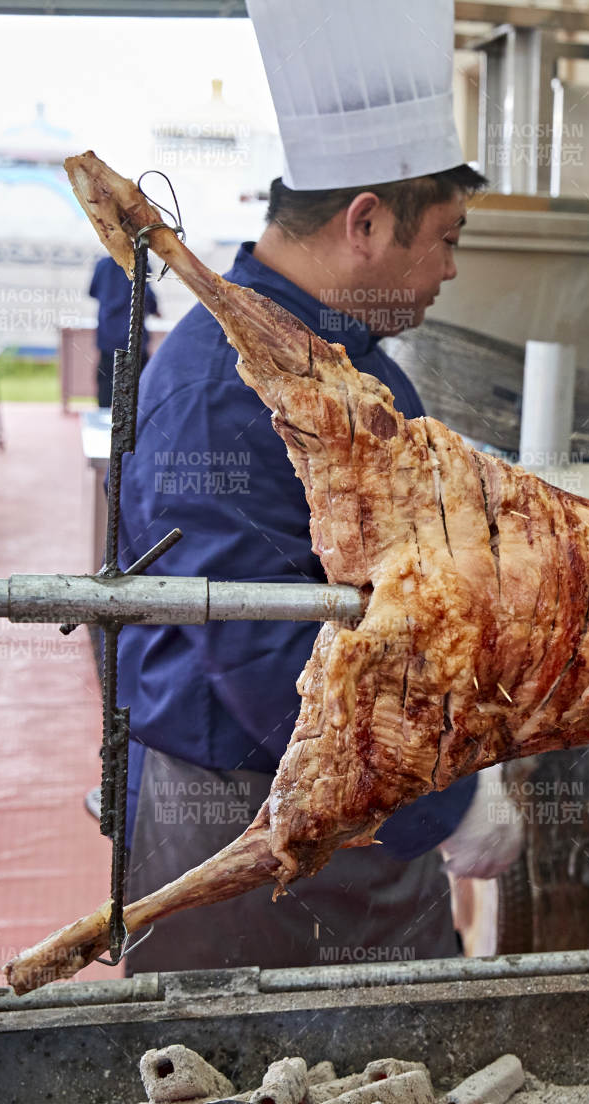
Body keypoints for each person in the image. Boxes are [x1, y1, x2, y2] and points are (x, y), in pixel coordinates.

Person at [118, 0, 519, 974]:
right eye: (448, 237)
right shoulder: (226, 382)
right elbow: (264, 654)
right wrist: (442, 801)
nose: (452, 269)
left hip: (366, 808)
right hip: (253, 825)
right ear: (367, 222)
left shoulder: (356, 364)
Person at [87, 254, 158, 409]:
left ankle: (105, 418)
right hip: (133, 337)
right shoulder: (141, 264)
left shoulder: (102, 265)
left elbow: (92, 291)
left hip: (108, 334)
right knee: (138, 383)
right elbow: (149, 298)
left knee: (107, 380)